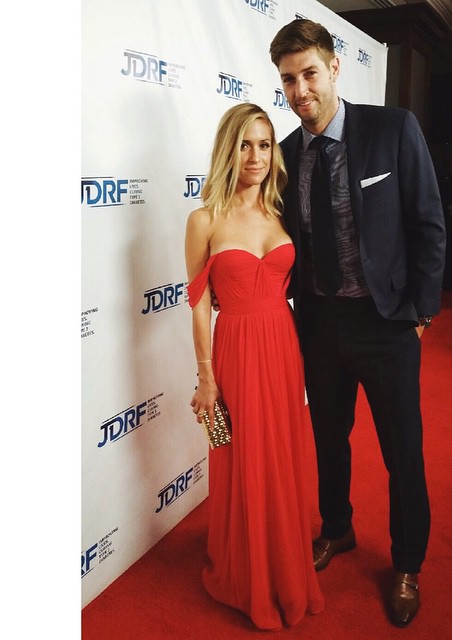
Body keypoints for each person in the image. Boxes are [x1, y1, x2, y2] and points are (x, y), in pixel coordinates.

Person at [269, 19, 446, 627]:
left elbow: (428, 221)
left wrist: (421, 311)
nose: (300, 90)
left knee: (403, 451)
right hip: (319, 323)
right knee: (328, 438)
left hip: (386, 321)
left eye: (309, 74)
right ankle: (337, 528)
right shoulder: (285, 156)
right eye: (288, 80)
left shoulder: (393, 128)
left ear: (334, 67)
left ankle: (407, 563)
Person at [185, 103, 324, 631]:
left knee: (281, 454)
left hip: (282, 347)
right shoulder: (204, 220)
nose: (256, 156)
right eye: (245, 144)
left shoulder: (283, 212)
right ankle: (246, 569)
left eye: (264, 145)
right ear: (228, 149)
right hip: (236, 350)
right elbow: (199, 303)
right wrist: (206, 376)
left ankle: (283, 559)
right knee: (243, 456)